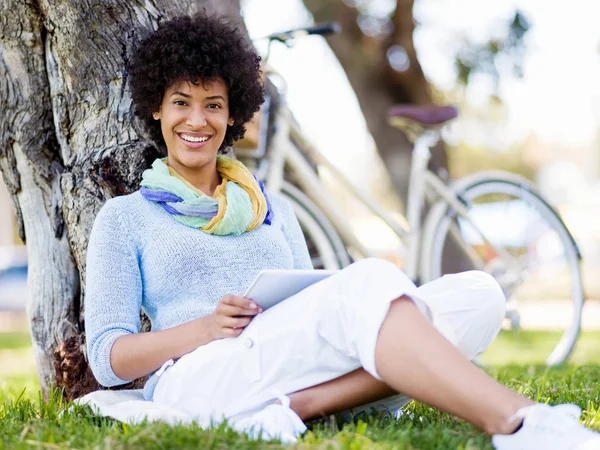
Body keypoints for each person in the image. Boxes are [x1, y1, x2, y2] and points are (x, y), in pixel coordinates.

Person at [84, 12, 600, 449]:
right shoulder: (127, 218)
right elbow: (108, 359)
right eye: (181, 101)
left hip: (280, 360)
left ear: (232, 114)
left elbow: (317, 306)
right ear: (156, 107)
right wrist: (204, 329)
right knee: (371, 281)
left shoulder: (272, 208)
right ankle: (520, 422)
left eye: (213, 104)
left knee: (480, 294)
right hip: (197, 377)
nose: (197, 120)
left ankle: (294, 408)